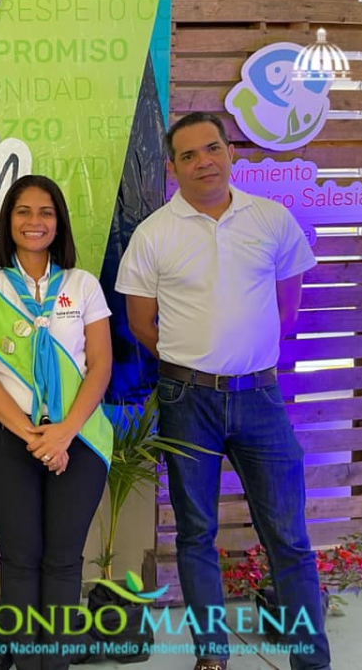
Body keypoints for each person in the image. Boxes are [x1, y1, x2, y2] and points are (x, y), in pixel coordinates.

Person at [115, 112, 331, 670]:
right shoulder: (154, 233)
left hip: (261, 398)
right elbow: (140, 323)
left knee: (288, 535)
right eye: (188, 155)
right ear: (172, 168)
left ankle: (312, 661)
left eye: (211, 148)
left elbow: (286, 310)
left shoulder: (271, 219)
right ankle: (212, 657)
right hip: (187, 401)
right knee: (195, 533)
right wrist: (194, 361)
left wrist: (244, 359)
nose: (203, 162)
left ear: (230, 151)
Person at [0, 174, 113, 670]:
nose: (34, 221)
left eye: (45, 212)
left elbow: (100, 367)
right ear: (8, 222)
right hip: (10, 443)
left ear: (59, 222)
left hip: (79, 441)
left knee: (64, 561)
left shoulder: (82, 285)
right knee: (20, 562)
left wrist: (63, 433)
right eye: (23, 211)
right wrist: (35, 437)